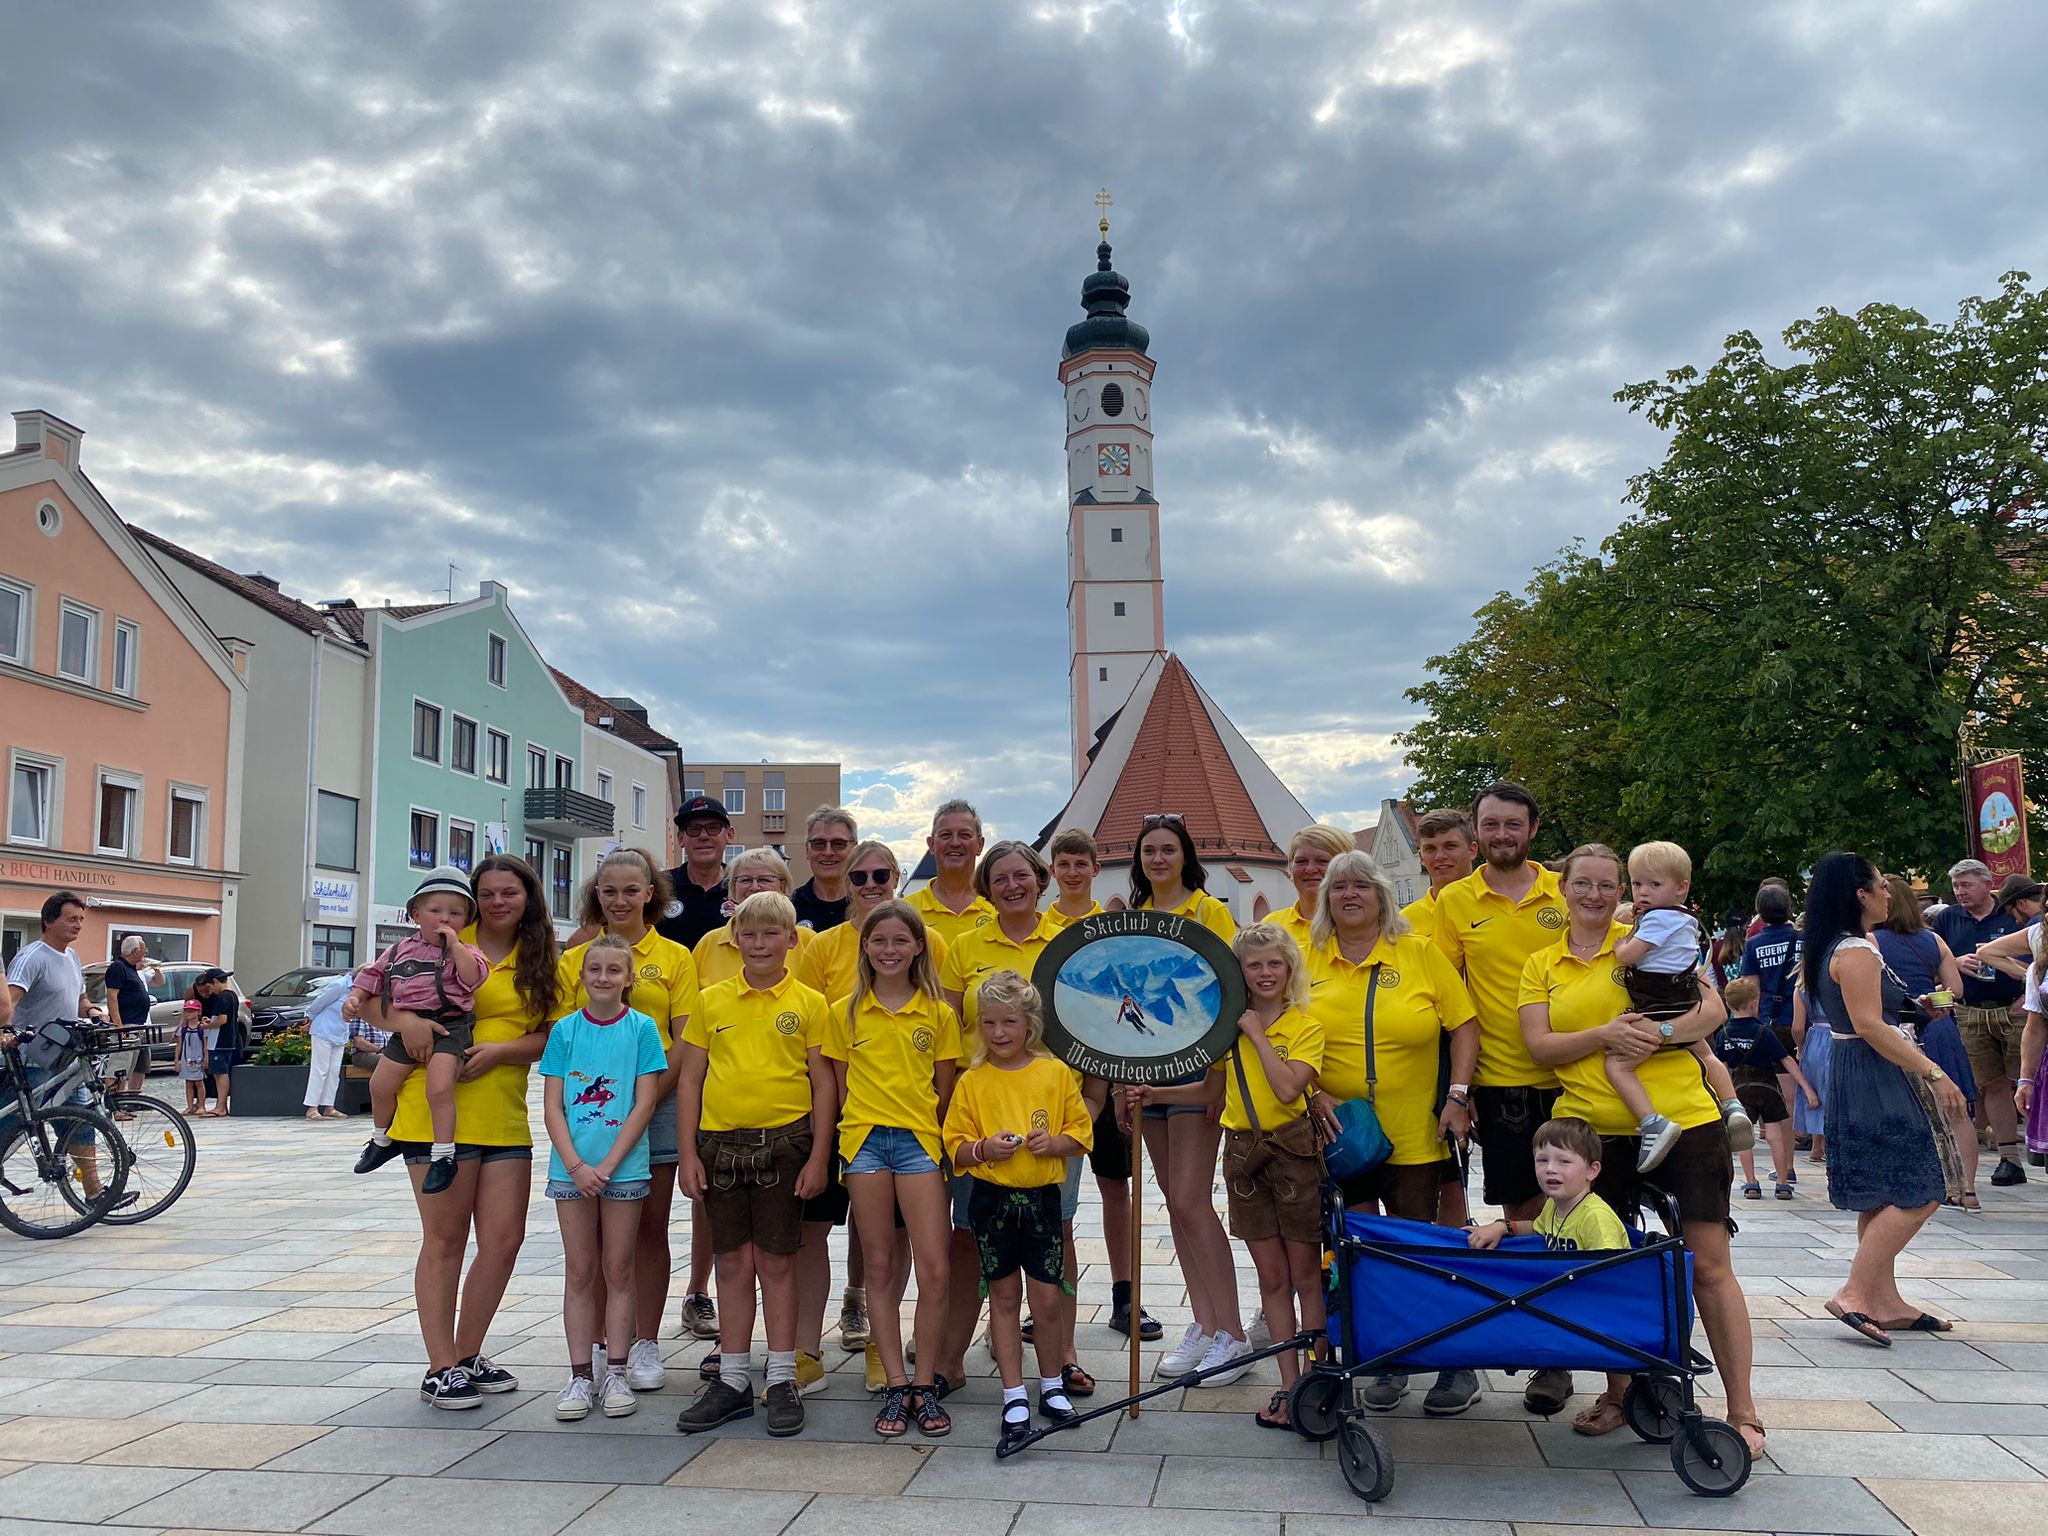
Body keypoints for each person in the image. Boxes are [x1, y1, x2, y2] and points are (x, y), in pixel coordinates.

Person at [1517, 843, 1762, 1456]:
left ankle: (1743, 1410)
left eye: (1607, 885)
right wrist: (1601, 1034)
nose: (1595, 896)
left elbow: (1711, 1009)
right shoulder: (1543, 961)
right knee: (1604, 1262)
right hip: (1589, 1132)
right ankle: (1619, 1393)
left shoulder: (1658, 935)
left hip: (1683, 1117)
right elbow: (1538, 1048)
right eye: (1583, 884)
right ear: (1563, 889)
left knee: (1709, 1265)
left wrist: (1661, 1033)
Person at [381, 853, 562, 1409]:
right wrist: (405, 1021)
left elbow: (555, 1035)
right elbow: (370, 998)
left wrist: (505, 1050)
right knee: (445, 1239)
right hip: (434, 1114)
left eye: (511, 892)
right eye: (488, 893)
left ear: (528, 897)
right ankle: (440, 1366)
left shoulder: (543, 958)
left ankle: (466, 1354)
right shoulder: (444, 931)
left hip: (504, 1113)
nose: (498, 902)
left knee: (505, 1240)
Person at [1303, 850, 1478, 1415]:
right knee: (1357, 1250)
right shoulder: (1306, 959)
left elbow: (1465, 1026)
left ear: (1382, 894)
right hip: (1340, 1132)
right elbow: (1279, 1034)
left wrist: (1458, 1096)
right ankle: (1390, 1355)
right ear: (1326, 900)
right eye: (1338, 887)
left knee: (1420, 1249)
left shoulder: (1421, 953)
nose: (1349, 894)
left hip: (1414, 1132)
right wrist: (1311, 1093)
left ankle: (1452, 1362)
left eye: (1361, 885)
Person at [1430, 781, 1573, 1416]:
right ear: (1478, 831)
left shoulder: (1564, 892)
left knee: (1586, 1218)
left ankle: (1565, 1352)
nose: (1501, 835)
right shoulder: (1455, 901)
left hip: (1578, 1079)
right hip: (1507, 1084)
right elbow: (1450, 1001)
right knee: (1528, 1219)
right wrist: (1460, 1092)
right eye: (1491, 825)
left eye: (1513, 825)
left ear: (1533, 830)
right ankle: (1547, 1348)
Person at [674, 891, 832, 1438]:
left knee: (778, 1262)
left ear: (792, 940)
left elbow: (823, 1084)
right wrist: (687, 1152)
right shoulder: (712, 1001)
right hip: (719, 1148)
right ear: (734, 938)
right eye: (749, 933)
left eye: (771, 934)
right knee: (732, 1264)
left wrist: (819, 1155)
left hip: (786, 1146)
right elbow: (690, 1079)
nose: (759, 943)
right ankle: (734, 1378)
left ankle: (783, 1375)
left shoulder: (811, 1003)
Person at [1806, 851, 1968, 1346]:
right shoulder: (1855, 948)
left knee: (1881, 1190)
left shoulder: (1840, 945)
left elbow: (1871, 1016)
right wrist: (1935, 1071)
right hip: (1875, 1072)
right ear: (1861, 894)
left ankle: (1884, 1299)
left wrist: (1915, 1010)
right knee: (1923, 1185)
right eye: (1880, 884)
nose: (1888, 892)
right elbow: (1870, 1025)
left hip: (1856, 1069)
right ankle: (1856, 1291)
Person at [557, 849, 699, 1393]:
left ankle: (644, 1342)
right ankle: (596, 1347)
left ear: (650, 895)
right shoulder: (577, 958)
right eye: (608, 891)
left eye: (630, 890)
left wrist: (644, 1098)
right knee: (591, 1240)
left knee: (648, 1231)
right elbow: (563, 1037)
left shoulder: (675, 957)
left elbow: (685, 1038)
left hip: (656, 1107)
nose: (619, 900)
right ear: (597, 896)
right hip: (590, 1112)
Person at [1117, 813, 1248, 1383]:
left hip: (1195, 1072)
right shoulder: (1132, 917)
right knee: (1174, 1203)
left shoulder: (1208, 911)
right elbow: (1121, 1001)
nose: (1159, 859)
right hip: (1146, 1072)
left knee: (1193, 1201)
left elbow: (1222, 991)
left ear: (1184, 855)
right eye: (1149, 851)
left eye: (1168, 849)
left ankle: (1234, 1335)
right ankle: (1203, 1323)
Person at [943, 970, 1092, 1454]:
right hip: (992, 1204)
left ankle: (1051, 1384)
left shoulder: (1053, 1074)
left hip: (1043, 1203)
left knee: (1046, 1301)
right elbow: (956, 1148)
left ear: (1029, 1024)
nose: (999, 1033)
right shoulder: (972, 1081)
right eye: (989, 1023)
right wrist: (983, 1148)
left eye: (1009, 1022)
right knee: (1004, 1299)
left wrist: (1055, 1143)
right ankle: (1013, 1394)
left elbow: (1080, 1132)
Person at [936, 841, 1067, 1394]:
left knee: (1054, 1238)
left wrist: (1094, 1100)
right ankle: (951, 1357)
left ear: (1040, 880)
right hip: (982, 1107)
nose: (1012, 886)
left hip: (1051, 1104)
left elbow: (1092, 1026)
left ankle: (1063, 1360)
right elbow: (945, 1027)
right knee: (968, 1237)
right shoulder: (964, 946)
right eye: (1000, 878)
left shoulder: (1066, 938)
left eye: (1022, 876)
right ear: (987, 888)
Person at [830, 898, 962, 1432]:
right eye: (879, 940)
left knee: (934, 1268)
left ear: (918, 947)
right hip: (864, 1144)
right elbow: (839, 1089)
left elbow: (945, 1090)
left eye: (900, 941)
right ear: (865, 946)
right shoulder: (846, 1011)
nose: (889, 949)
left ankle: (925, 1382)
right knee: (879, 1267)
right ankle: (893, 1383)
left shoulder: (938, 1013)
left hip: (919, 1144)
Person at [542, 935, 670, 1421]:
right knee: (580, 1270)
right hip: (571, 1169)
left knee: (619, 1269)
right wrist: (576, 1165)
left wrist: (610, 1164)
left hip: (625, 1168)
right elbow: (554, 1105)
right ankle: (580, 1375)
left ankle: (616, 1371)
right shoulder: (564, 1032)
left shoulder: (642, 1030)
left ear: (629, 978)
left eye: (613, 970)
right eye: (594, 969)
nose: (602, 977)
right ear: (581, 975)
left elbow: (644, 1103)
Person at [1217, 923, 1326, 1429]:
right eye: (1253, 964)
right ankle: (1286, 1384)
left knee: (1305, 1275)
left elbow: (1287, 1090)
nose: (1264, 973)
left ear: (1289, 970)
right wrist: (1155, 1094)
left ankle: (1316, 1377)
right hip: (1243, 1155)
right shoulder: (1225, 1027)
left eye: (1274, 964)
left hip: (1294, 1154)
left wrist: (1257, 1034)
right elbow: (1211, 1094)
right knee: (1272, 1277)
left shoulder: (1305, 1025)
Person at [1607, 841, 1751, 1171]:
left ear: (1681, 888)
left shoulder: (1657, 920)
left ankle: (1652, 1122)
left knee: (1618, 1065)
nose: (1643, 893)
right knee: (1704, 1053)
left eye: (1654, 885)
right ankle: (1732, 1105)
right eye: (1638, 884)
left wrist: (1621, 946)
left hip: (1658, 1000)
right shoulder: (1684, 919)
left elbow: (1631, 955)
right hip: (1685, 993)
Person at [349, 868, 489, 1194]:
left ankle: (443, 1155)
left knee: (439, 1088)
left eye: (455, 914)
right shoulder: (398, 950)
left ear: (466, 920)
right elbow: (372, 976)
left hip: (451, 1025)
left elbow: (472, 979)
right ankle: (382, 1138)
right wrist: (355, 998)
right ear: (415, 914)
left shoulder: (467, 951)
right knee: (381, 1084)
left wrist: (456, 947)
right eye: (435, 911)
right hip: (407, 1023)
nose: (445, 919)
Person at [1875, 875, 1981, 1210]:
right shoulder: (1934, 940)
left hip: (1897, 1030)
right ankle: (1967, 1188)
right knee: (1957, 1111)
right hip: (1940, 1029)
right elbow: (1956, 992)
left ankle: (1919, 1183)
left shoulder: (1870, 941)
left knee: (1903, 1112)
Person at [4, 891, 112, 1193]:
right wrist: (5, 1031)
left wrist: (92, 1011)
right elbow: (10, 1000)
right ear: (49, 920)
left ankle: (95, 1193)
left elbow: (78, 998)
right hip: (32, 1058)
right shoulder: (32, 957)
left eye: (81, 920)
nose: (78, 925)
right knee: (13, 1126)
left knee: (81, 1122)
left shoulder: (72, 956)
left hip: (64, 1059)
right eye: (71, 919)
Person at [1932, 858, 2027, 1186]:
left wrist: (2025, 996)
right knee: (1992, 1083)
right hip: (1970, 1009)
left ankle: (2037, 1142)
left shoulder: (2011, 914)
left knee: (2027, 1079)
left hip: (2015, 1007)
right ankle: (2009, 1159)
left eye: (1967, 885)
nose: (1960, 892)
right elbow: (1935, 960)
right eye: (1957, 886)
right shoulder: (1947, 919)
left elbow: (2034, 958)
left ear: (1988, 885)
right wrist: (1955, 963)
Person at [1715, 976, 1818, 1201]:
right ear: (1754, 1003)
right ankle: (1782, 1183)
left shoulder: (1724, 1035)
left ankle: (1751, 1183)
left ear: (1729, 1005)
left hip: (1739, 1088)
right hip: (1768, 1087)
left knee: (1744, 1137)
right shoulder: (1764, 1032)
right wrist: (1807, 1089)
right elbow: (1787, 1061)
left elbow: (1720, 1068)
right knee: (1774, 1135)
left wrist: (1721, 1096)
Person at [1468, 1117, 1630, 1252]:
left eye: (1564, 1161)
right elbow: (1536, 1228)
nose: (1550, 1169)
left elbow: (1611, 1274)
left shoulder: (1596, 1217)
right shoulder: (1553, 1204)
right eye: (1542, 1160)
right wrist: (1502, 1227)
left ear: (1592, 1171)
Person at [692, 849, 815, 987]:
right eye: (745, 880)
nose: (755, 887)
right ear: (733, 887)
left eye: (764, 879)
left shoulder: (808, 941)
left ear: (782, 885)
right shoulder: (709, 944)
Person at [909, 799, 997, 948]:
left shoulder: (999, 907)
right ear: (931, 844)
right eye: (945, 835)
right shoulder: (908, 911)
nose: (955, 842)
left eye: (964, 835)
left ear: (980, 845)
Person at [656, 795, 738, 949]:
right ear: (680, 838)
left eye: (713, 828)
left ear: (729, 835)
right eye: (693, 829)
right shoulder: (659, 887)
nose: (703, 836)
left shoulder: (742, 885)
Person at [1255, 825, 1353, 952]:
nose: (1310, 869)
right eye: (1301, 861)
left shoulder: (1356, 925)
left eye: (1322, 861)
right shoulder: (1272, 926)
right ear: (1290, 867)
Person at [1401, 809, 1477, 942]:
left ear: (1472, 850)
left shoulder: (1496, 906)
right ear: (1421, 857)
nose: (1440, 856)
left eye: (1450, 846)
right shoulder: (1404, 924)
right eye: (1430, 849)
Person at [102, 935, 160, 1107]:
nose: (146, 952)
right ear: (135, 951)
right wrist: (119, 1025)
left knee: (126, 1069)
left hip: (136, 1025)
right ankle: (113, 1105)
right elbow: (112, 996)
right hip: (126, 1025)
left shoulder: (131, 969)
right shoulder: (118, 967)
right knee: (118, 1066)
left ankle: (122, 1103)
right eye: (143, 948)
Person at [792, 806, 860, 932]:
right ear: (807, 849)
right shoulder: (789, 907)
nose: (828, 852)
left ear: (854, 849)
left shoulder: (866, 905)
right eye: (819, 843)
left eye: (838, 844)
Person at [302, 969, 357, 1121]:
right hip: (324, 1030)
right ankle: (312, 1108)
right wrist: (310, 1019)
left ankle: (329, 1106)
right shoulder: (339, 985)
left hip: (339, 1033)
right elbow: (319, 1002)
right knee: (320, 1069)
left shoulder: (356, 990)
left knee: (333, 1071)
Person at [198, 967, 242, 1117]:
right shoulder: (232, 996)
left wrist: (207, 1025)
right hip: (229, 1039)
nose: (210, 990)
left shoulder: (221, 998)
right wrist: (212, 1021)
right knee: (221, 1072)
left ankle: (220, 1106)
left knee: (220, 1073)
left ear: (215, 981)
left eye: (210, 986)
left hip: (219, 1040)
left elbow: (223, 1020)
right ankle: (222, 1105)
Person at [1044, 828, 1105, 929]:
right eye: (1064, 864)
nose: (1072, 873)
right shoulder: (1038, 926)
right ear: (1053, 870)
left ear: (1095, 869)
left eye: (1081, 864)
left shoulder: (1110, 927)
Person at [177, 989, 208, 1115]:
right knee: (188, 1083)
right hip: (186, 1058)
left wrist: (206, 1058)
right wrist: (176, 1060)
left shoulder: (202, 1028)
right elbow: (179, 1045)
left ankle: (201, 1105)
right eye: (187, 1011)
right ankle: (189, 1106)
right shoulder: (183, 1030)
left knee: (199, 1082)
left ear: (198, 1012)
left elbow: (206, 1045)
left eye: (191, 1010)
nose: (188, 1013)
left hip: (198, 1058)